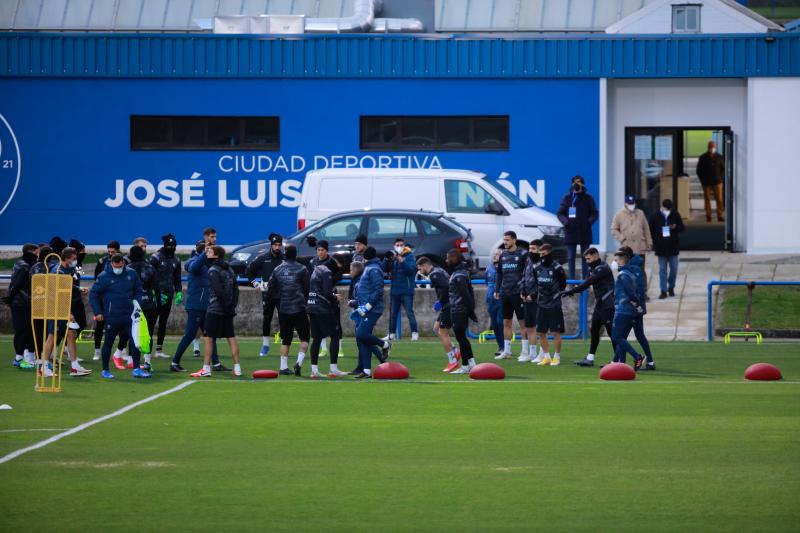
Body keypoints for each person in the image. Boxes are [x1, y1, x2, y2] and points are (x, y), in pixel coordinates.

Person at [89, 254, 150, 379]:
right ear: (112, 263)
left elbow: (138, 289)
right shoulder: (104, 276)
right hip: (112, 315)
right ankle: (105, 370)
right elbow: (93, 294)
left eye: (120, 266)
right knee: (108, 342)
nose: (118, 268)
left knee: (135, 341)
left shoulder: (131, 274)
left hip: (130, 315)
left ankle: (137, 368)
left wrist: (137, 302)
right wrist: (98, 312)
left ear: (123, 263)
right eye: (115, 266)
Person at [171, 239, 223, 372]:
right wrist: (204, 254)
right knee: (189, 334)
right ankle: (174, 362)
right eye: (208, 250)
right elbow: (193, 268)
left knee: (210, 335)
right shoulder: (193, 261)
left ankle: (216, 364)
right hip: (196, 305)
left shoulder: (208, 264)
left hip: (206, 305)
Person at [189, 246, 241, 377]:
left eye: (210, 252)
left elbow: (218, 290)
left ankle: (206, 369)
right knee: (231, 338)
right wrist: (232, 305)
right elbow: (236, 289)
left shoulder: (213, 270)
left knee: (208, 338)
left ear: (216, 255)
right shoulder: (229, 269)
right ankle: (238, 368)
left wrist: (224, 305)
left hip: (215, 309)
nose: (207, 253)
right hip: (228, 309)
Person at [561, 247, 616, 367]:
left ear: (596, 256)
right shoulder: (592, 268)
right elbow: (586, 283)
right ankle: (590, 358)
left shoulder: (603, 268)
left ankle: (617, 360)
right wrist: (572, 291)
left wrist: (571, 291)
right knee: (594, 330)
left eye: (588, 258)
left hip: (608, 305)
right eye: (585, 259)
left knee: (612, 334)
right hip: (600, 304)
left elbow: (587, 283)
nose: (587, 261)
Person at [43, 247, 92, 377]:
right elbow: (58, 291)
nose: (76, 261)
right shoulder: (57, 271)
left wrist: (78, 287)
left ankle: (75, 366)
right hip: (56, 307)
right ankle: (43, 366)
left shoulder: (70, 268)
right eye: (74, 258)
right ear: (67, 258)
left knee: (71, 333)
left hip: (67, 304)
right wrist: (67, 312)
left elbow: (71, 282)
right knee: (52, 336)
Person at [265, 245, 311, 376]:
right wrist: (304, 302)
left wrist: (268, 303)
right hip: (298, 308)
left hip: (283, 308)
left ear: (285, 254)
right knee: (305, 338)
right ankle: (299, 363)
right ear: (296, 254)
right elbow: (307, 289)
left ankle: (283, 367)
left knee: (286, 339)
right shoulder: (303, 269)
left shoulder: (277, 269)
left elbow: (270, 288)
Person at [352, 246, 391, 379]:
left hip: (372, 308)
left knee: (361, 334)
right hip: (366, 307)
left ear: (365, 256)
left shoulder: (374, 269)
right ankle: (367, 371)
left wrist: (368, 306)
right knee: (363, 338)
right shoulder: (370, 267)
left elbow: (378, 290)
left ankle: (385, 344)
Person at [307, 257, 348, 378]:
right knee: (335, 334)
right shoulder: (327, 272)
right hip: (322, 308)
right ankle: (333, 369)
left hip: (311, 306)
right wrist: (335, 297)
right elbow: (327, 293)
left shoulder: (316, 269)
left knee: (316, 338)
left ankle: (314, 371)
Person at [417, 256, 458, 372]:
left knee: (442, 332)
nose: (419, 271)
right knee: (436, 328)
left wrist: (440, 301)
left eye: (420, 268)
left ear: (425, 265)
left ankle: (452, 361)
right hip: (447, 304)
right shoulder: (439, 270)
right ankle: (455, 350)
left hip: (449, 305)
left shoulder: (434, 274)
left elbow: (446, 288)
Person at [618, 245, 655, 369]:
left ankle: (621, 363)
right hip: (637, 307)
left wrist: (635, 305)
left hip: (630, 308)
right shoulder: (637, 268)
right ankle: (650, 361)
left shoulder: (630, 269)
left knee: (621, 336)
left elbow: (633, 290)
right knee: (638, 335)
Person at [247, 233, 284, 357]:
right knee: (267, 318)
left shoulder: (284, 259)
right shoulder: (263, 258)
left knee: (284, 319)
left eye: (279, 245)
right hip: (268, 294)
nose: (277, 247)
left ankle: (284, 345)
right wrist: (255, 283)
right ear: (271, 245)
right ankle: (266, 345)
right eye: (275, 245)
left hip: (282, 294)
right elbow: (250, 270)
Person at [493, 231, 528, 360]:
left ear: (514, 240)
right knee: (506, 322)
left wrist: (524, 290)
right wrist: (497, 289)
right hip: (505, 293)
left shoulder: (523, 254)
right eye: (504, 240)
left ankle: (525, 352)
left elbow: (527, 273)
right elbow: (499, 273)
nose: (505, 242)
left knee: (522, 322)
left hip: (518, 293)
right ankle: (507, 351)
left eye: (507, 240)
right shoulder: (503, 255)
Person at [556, 175, 598, 280]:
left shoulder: (588, 198)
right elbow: (560, 213)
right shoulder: (567, 198)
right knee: (571, 257)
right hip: (571, 232)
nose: (577, 184)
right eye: (575, 182)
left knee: (586, 257)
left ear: (583, 184)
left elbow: (595, 213)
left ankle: (585, 280)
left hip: (585, 231)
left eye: (579, 182)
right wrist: (566, 222)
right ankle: (571, 281)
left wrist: (588, 222)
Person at [611, 194, 652, 299]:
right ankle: (629, 292)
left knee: (641, 271)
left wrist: (649, 242)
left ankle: (643, 292)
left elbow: (646, 229)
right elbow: (613, 229)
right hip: (627, 248)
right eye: (629, 204)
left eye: (633, 203)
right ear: (625, 203)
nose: (631, 206)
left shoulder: (640, 213)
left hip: (640, 247)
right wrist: (622, 238)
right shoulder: (619, 214)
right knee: (628, 270)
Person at [610, 249, 645, 371]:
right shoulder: (629, 273)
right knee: (622, 338)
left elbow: (630, 292)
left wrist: (635, 303)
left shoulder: (623, 275)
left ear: (621, 261)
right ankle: (621, 363)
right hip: (628, 310)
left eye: (615, 260)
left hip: (623, 310)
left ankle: (637, 356)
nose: (614, 263)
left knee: (616, 337)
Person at [532, 243, 567, 366]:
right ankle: (546, 357)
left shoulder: (557, 268)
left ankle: (556, 357)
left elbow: (563, 284)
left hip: (554, 304)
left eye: (544, 254)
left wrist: (555, 294)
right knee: (541, 332)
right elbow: (537, 283)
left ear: (550, 253)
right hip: (541, 304)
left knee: (555, 332)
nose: (541, 256)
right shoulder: (536, 267)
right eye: (540, 254)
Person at [4, 243, 37, 369]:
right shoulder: (24, 266)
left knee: (25, 330)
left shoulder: (20, 264)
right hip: (21, 302)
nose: (37, 256)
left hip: (21, 301)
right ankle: (18, 358)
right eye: (36, 253)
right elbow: (17, 284)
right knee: (22, 330)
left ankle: (22, 357)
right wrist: (11, 297)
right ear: (30, 252)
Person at [149, 233, 182, 358]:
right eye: (169, 245)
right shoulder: (156, 258)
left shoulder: (176, 260)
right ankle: (147, 350)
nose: (171, 248)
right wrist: (152, 291)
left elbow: (177, 279)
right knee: (151, 323)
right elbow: (148, 275)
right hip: (155, 296)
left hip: (168, 295)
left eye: (173, 246)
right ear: (165, 245)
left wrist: (178, 291)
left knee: (163, 322)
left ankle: (159, 350)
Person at [447, 249, 478, 375]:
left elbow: (466, 294)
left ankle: (466, 365)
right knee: (462, 338)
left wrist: (471, 311)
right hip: (458, 308)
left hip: (459, 309)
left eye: (448, 258)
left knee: (461, 338)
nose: (446, 260)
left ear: (454, 259)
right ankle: (471, 363)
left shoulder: (459, 275)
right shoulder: (459, 272)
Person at [127, 245, 158, 371]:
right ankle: (147, 361)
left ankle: (132, 360)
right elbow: (156, 287)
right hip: (149, 303)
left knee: (133, 332)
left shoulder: (128, 269)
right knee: (148, 333)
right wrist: (159, 304)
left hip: (133, 304)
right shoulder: (150, 268)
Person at [383, 237, 419, 342]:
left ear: (404, 246)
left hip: (406, 290)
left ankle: (414, 333)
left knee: (409, 312)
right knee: (393, 313)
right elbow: (384, 268)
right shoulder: (392, 256)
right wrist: (387, 258)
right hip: (395, 290)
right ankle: (391, 334)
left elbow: (411, 271)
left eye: (401, 245)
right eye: (397, 245)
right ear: (394, 246)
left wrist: (402, 261)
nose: (399, 247)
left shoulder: (410, 256)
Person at [91, 240, 123, 361]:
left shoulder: (124, 261)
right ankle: (97, 351)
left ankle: (121, 351)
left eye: (113, 252)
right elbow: (96, 279)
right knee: (100, 324)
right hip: (103, 299)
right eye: (109, 251)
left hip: (118, 299)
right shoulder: (102, 261)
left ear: (118, 251)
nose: (110, 254)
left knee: (121, 325)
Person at [650, 199, 685, 299]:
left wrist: (675, 227)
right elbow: (650, 228)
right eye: (666, 209)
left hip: (673, 247)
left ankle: (671, 287)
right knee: (662, 270)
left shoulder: (675, 214)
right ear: (662, 207)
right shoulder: (655, 215)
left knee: (674, 269)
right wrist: (654, 241)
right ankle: (663, 290)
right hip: (661, 247)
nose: (667, 211)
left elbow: (682, 227)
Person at [519, 240, 542, 363]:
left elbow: (542, 283)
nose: (530, 251)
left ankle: (544, 353)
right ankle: (532, 354)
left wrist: (534, 295)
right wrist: (522, 291)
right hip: (527, 299)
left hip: (538, 300)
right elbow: (524, 277)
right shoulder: (528, 261)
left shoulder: (543, 263)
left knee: (541, 328)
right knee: (529, 327)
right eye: (530, 248)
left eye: (533, 248)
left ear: (539, 249)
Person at [696, 141, 725, 222]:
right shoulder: (703, 157)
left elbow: (723, 169)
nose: (712, 148)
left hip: (717, 182)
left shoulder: (719, 157)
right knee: (707, 199)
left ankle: (720, 215)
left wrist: (720, 178)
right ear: (708, 147)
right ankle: (708, 216)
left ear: (715, 147)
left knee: (719, 199)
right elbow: (699, 170)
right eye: (711, 147)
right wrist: (703, 180)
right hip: (706, 183)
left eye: (713, 147)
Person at [484, 248, 504, 356]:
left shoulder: (504, 268)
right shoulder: (489, 268)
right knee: (495, 324)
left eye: (497, 254)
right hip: (491, 300)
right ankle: (500, 346)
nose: (495, 256)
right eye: (494, 254)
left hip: (501, 299)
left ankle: (505, 347)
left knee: (500, 322)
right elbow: (487, 282)